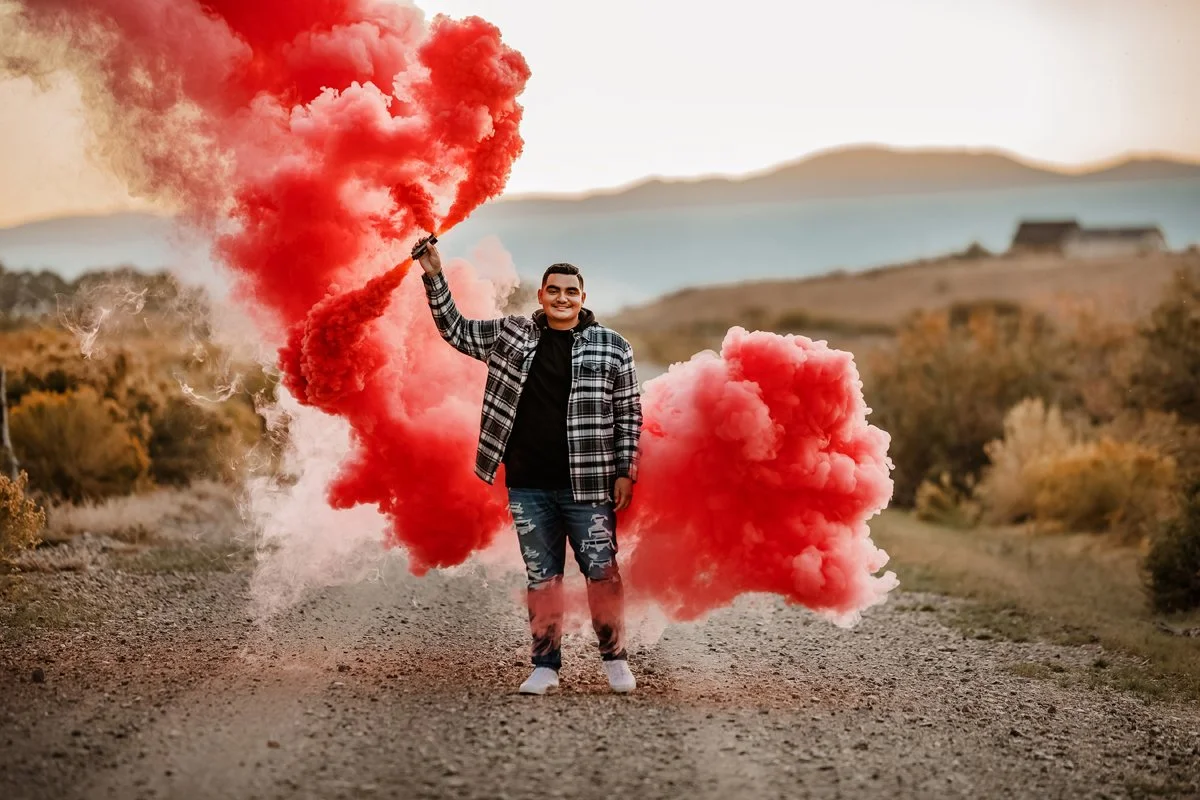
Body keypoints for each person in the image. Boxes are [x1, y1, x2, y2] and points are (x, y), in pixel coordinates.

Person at [413, 236, 643, 695]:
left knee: (602, 573)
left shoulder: (612, 346)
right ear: (540, 295)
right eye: (553, 290)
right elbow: (456, 330)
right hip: (528, 486)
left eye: (571, 292)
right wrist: (434, 274)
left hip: (590, 486)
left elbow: (629, 411)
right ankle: (545, 667)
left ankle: (615, 660)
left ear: (583, 298)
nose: (562, 298)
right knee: (543, 577)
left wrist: (625, 470)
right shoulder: (510, 334)